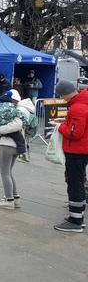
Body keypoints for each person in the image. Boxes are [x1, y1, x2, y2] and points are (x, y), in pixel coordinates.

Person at [52, 80, 88, 233]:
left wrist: (60, 126)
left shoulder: (77, 108)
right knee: (78, 182)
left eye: (61, 95)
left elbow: (74, 133)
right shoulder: (83, 102)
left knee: (74, 184)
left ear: (64, 93)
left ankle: (75, 220)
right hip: (82, 150)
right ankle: (78, 215)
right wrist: (66, 121)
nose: (62, 99)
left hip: (76, 151)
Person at [0, 90, 30, 210]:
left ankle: (9, 200)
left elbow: (16, 125)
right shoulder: (17, 110)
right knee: (9, 172)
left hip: (7, 144)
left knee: (5, 173)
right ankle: (15, 198)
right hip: (15, 145)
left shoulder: (13, 110)